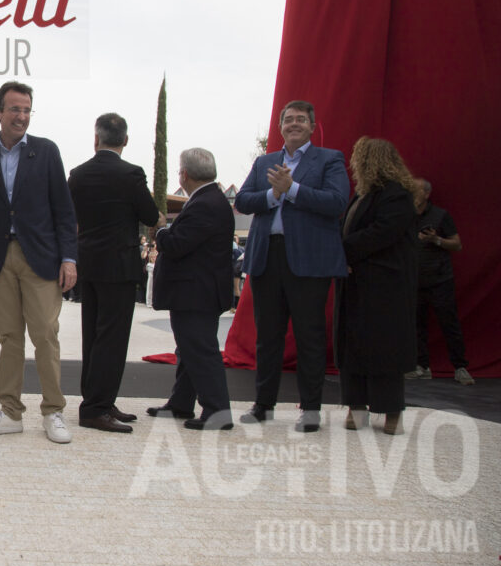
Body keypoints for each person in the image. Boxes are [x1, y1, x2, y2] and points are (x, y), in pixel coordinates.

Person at [0, 81, 78, 444]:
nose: (22, 116)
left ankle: (54, 411)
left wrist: (70, 258)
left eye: (27, 110)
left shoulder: (46, 152)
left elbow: (64, 209)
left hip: (41, 257)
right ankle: (10, 412)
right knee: (9, 337)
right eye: (15, 109)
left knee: (45, 334)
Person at [234, 100, 349, 433]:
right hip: (267, 257)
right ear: (280, 127)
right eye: (288, 120)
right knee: (267, 336)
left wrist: (293, 189)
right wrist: (272, 195)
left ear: (312, 126)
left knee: (309, 336)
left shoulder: (330, 160)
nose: (294, 124)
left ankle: (310, 409)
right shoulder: (265, 162)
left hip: (309, 262)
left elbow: (337, 202)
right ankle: (263, 405)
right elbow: (242, 201)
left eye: (301, 119)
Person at [68, 113, 163, 434]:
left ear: (96, 139)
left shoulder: (77, 175)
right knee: (113, 338)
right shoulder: (131, 174)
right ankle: (96, 407)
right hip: (119, 266)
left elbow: (71, 217)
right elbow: (150, 215)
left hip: (88, 263)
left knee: (92, 336)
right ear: (125, 141)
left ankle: (98, 401)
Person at [335, 137, 420, 435]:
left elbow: (381, 233)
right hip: (357, 282)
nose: (353, 165)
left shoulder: (396, 195)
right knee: (352, 345)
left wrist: (341, 250)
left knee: (385, 347)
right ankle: (356, 407)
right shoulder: (361, 196)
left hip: (385, 286)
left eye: (358, 159)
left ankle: (391, 411)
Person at [148, 149, 235, 430]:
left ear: (184, 174)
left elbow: (176, 244)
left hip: (196, 293)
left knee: (200, 350)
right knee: (189, 349)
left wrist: (162, 229)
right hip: (199, 291)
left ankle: (217, 411)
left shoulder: (204, 204)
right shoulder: (210, 200)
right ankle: (181, 402)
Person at [409, 179, 474, 384]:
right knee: (416, 324)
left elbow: (457, 244)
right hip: (415, 280)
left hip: (440, 280)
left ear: (426, 194)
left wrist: (436, 240)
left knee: (449, 323)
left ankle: (460, 367)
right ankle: (422, 366)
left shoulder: (440, 216)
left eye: (416, 190)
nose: (412, 194)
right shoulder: (405, 216)